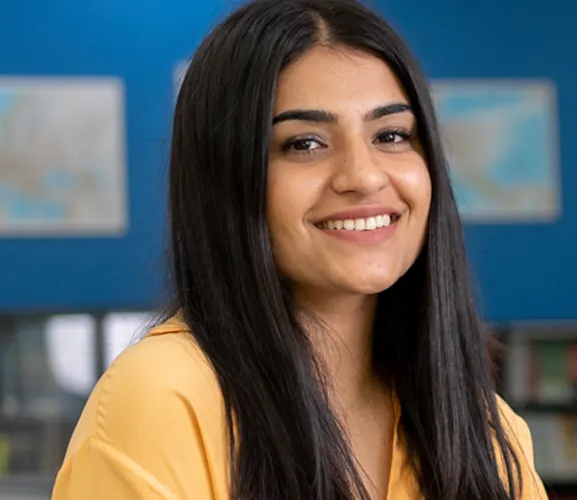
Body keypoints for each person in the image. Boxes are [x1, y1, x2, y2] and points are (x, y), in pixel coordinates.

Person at [52, 0, 546, 498]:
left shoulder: (486, 430)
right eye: (304, 144)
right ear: (226, 177)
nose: (364, 176)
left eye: (392, 135)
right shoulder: (163, 398)